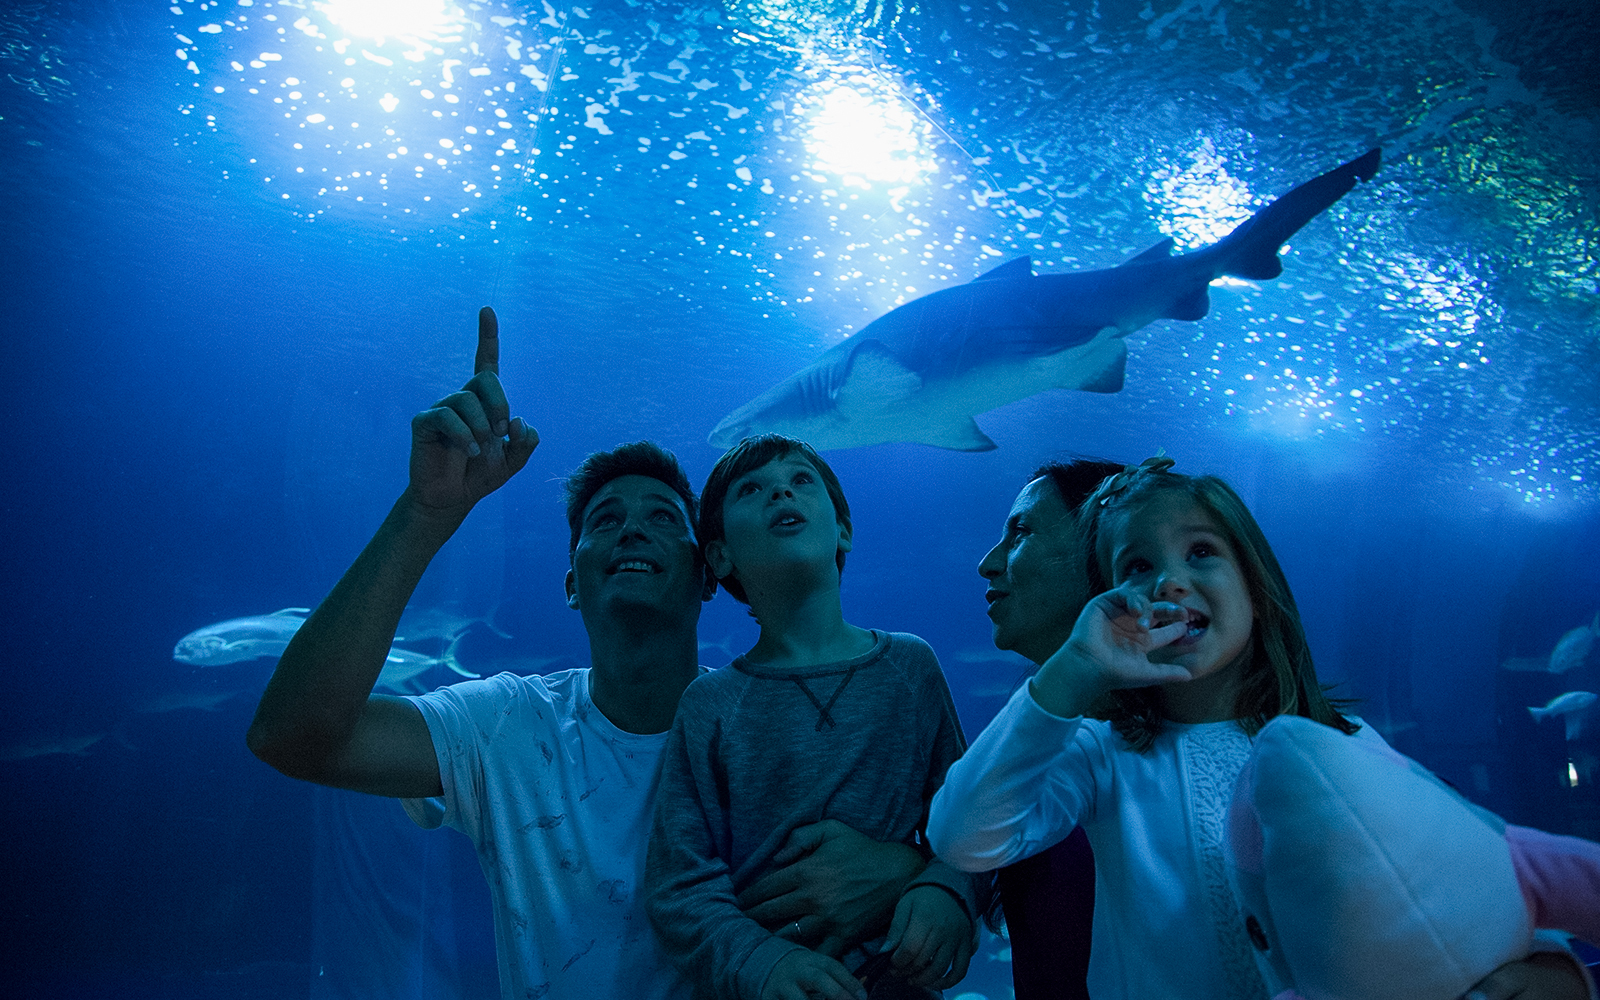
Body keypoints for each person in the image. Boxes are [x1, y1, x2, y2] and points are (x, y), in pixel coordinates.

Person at [246, 310, 930, 1000]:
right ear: (572, 582)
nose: (633, 527)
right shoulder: (506, 727)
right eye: (605, 521)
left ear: (708, 573)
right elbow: (293, 736)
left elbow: (941, 831)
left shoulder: (769, 720)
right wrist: (426, 514)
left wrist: (913, 870)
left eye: (665, 517)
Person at [930, 455, 1596, 999]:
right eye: (1136, 567)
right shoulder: (1101, 754)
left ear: (1256, 586)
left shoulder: (1344, 744)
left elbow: (1458, 873)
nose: (1170, 581)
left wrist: (1552, 968)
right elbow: (965, 835)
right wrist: (1077, 666)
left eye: (1201, 553)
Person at [646, 434, 988, 1000]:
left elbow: (971, 818)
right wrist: (761, 962)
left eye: (801, 479)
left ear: (844, 530)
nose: (780, 489)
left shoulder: (910, 666)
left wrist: (949, 889)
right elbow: (679, 884)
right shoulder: (710, 704)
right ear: (719, 554)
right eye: (751, 489)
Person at [977, 458, 1125, 1000]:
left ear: (1102, 550)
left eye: (1020, 532)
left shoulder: (1181, 755)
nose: (987, 564)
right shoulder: (1032, 744)